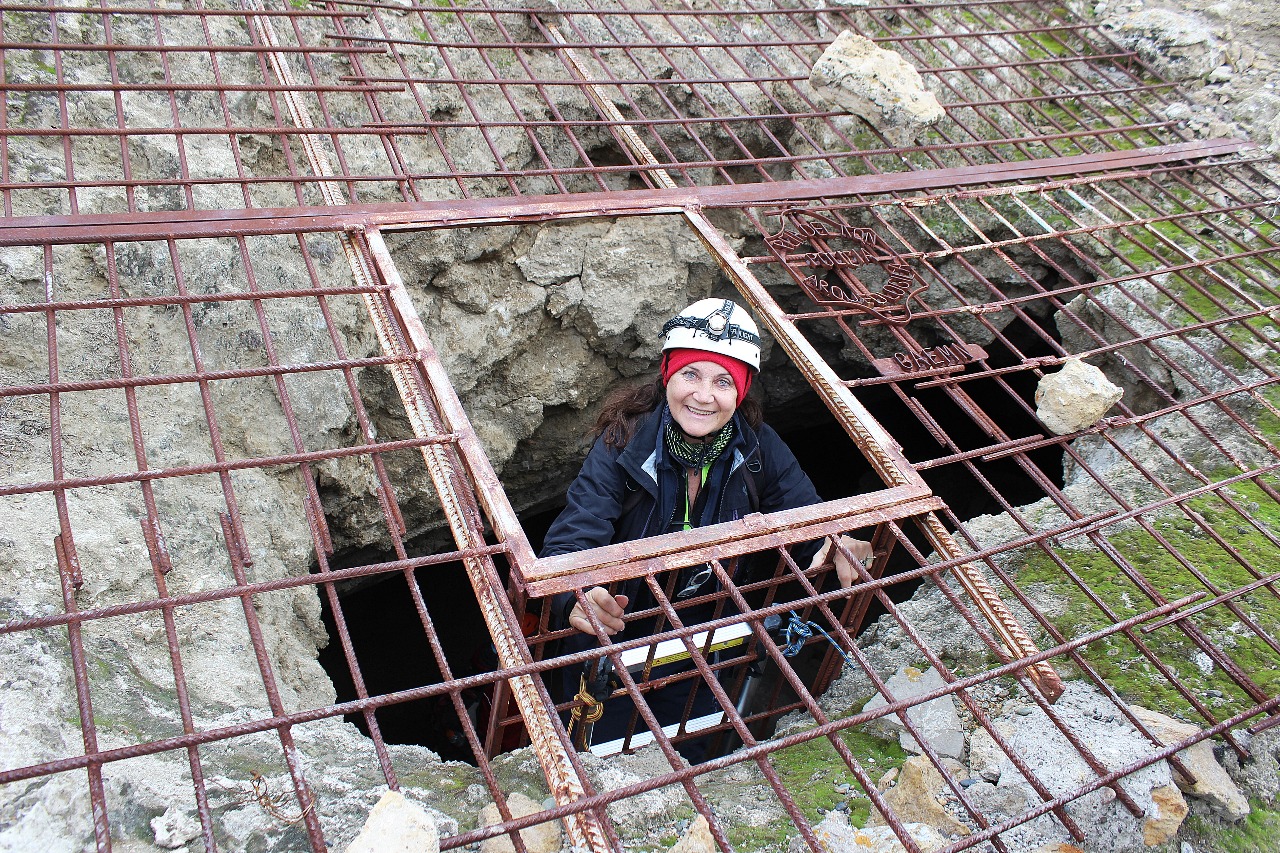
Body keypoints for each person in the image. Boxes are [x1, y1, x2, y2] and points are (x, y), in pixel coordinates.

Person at [539, 298, 870, 757]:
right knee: (603, 756)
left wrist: (835, 541)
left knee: (692, 751)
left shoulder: (759, 449)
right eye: (690, 374)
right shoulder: (624, 443)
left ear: (741, 391)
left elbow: (805, 519)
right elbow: (573, 537)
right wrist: (576, 595)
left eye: (722, 381)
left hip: (708, 643)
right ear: (667, 375)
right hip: (618, 637)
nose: (703, 395)